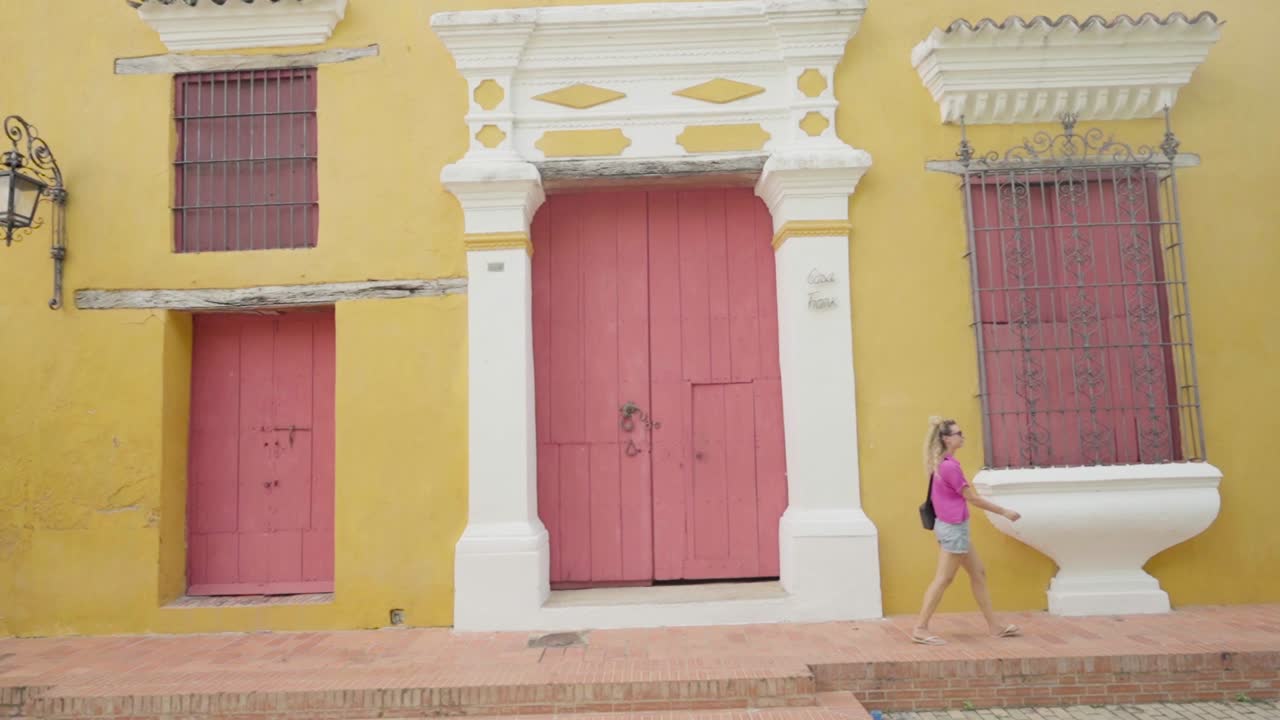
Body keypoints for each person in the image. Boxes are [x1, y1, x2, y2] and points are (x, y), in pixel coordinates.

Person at [911, 416, 1022, 645]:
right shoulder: (949, 466)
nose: (962, 437)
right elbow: (972, 498)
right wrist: (1004, 512)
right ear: (946, 439)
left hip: (953, 527)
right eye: (958, 434)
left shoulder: (943, 462)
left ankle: (995, 627)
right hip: (953, 529)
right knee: (943, 579)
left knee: (978, 573)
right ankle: (920, 628)